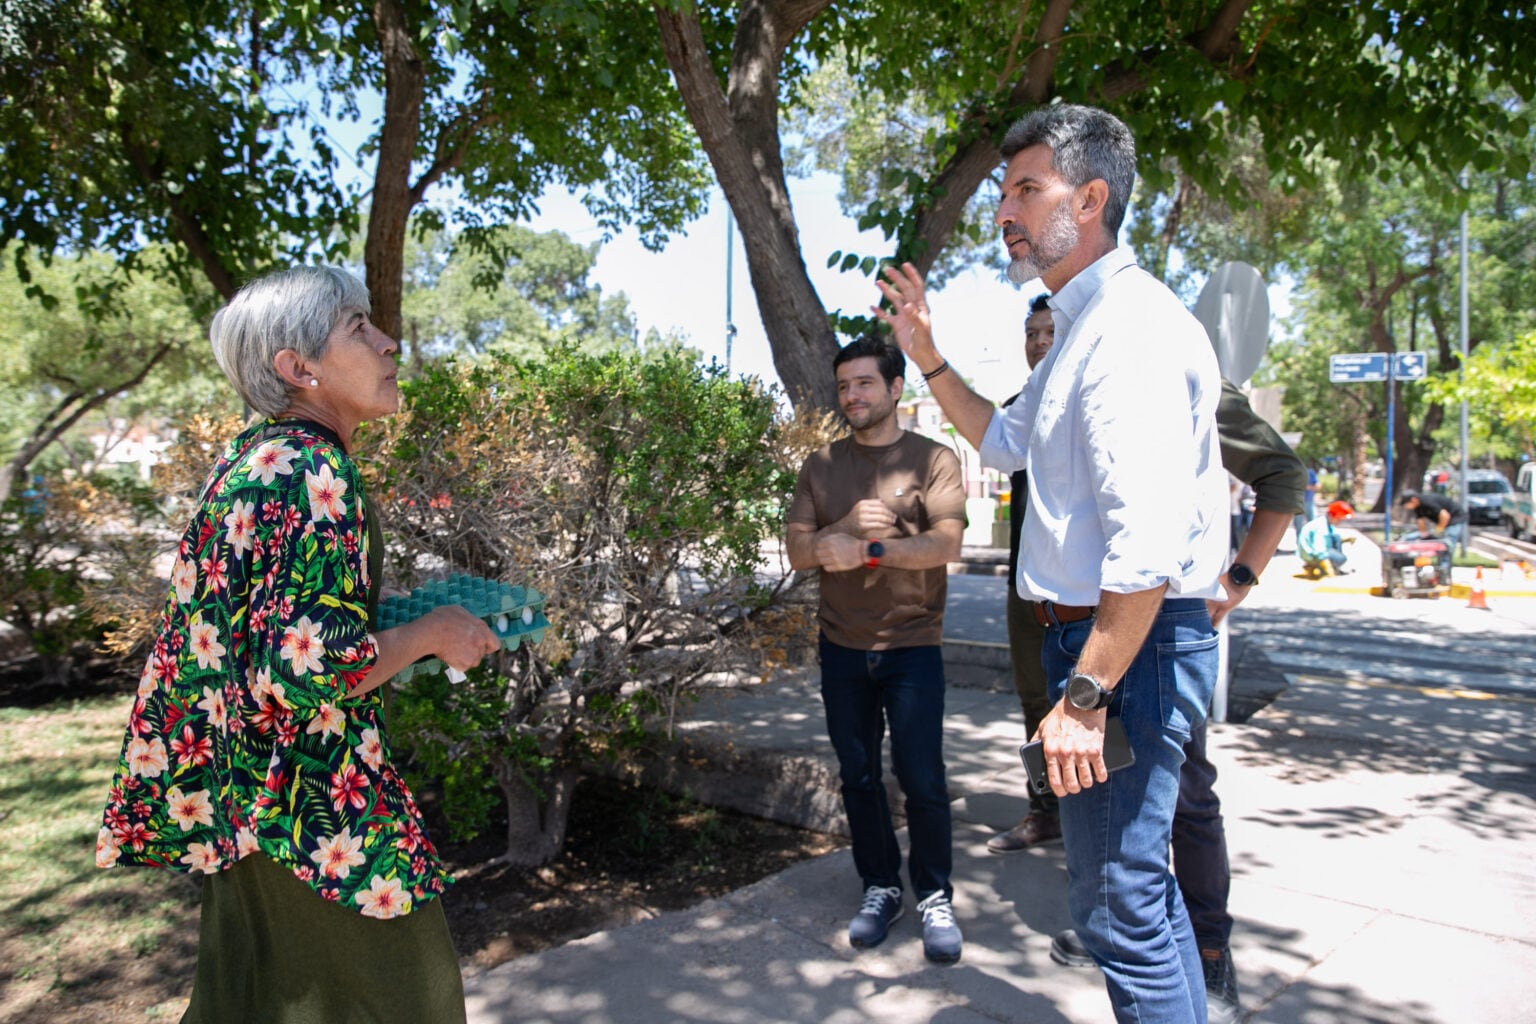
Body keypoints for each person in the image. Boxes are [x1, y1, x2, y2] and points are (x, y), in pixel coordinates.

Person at [877, 103, 1226, 1022]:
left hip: (1128, 656)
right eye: (1004, 191)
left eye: (1028, 189)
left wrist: (1085, 695)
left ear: (1095, 197)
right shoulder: (1081, 326)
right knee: (1141, 906)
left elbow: (1144, 545)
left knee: (1118, 913)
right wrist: (926, 356)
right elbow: (1003, 441)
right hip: (1117, 651)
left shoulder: (1129, 330)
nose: (1005, 211)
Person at [97, 266, 501, 1023]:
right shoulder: (317, 469)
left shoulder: (252, 459)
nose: (390, 343)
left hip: (241, 803)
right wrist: (430, 635)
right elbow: (303, 671)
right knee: (411, 999)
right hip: (314, 818)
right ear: (297, 367)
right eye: (358, 326)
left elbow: (256, 635)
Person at [985, 298, 1306, 1024]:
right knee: (1114, 864)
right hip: (1060, 639)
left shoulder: (1146, 360)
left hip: (1142, 637)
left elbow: (1283, 477)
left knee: (1183, 805)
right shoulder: (1036, 401)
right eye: (1033, 334)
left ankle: (1209, 957)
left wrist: (1239, 580)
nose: (1043, 342)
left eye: (1055, 329)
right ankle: (1138, 931)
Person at [785, 335, 968, 964]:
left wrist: (869, 550)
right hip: (841, 645)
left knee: (922, 779)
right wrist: (841, 529)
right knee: (858, 777)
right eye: (844, 386)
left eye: (865, 383)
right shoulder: (822, 465)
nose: (852, 395)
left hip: (912, 643)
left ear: (895, 388)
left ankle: (935, 894)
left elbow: (946, 546)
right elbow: (799, 548)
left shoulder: (935, 459)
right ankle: (881, 886)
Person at [1297, 500, 1356, 576]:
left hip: (1309, 553)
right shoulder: (1321, 527)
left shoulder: (1324, 522)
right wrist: (1327, 566)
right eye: (1339, 519)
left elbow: (1332, 538)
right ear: (1332, 516)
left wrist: (1345, 539)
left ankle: (1314, 565)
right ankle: (1318, 565)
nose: (1340, 522)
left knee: (1336, 537)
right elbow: (1318, 547)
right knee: (1341, 559)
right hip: (1310, 555)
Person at [1400, 489, 1467, 553]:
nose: (1406, 507)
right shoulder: (1417, 507)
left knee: (1447, 543)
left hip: (1456, 517)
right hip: (1445, 521)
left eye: (1406, 504)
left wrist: (1438, 530)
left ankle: (1445, 564)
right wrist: (1424, 535)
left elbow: (1444, 516)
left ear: (1413, 500)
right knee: (1439, 545)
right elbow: (1420, 521)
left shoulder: (1427, 501)